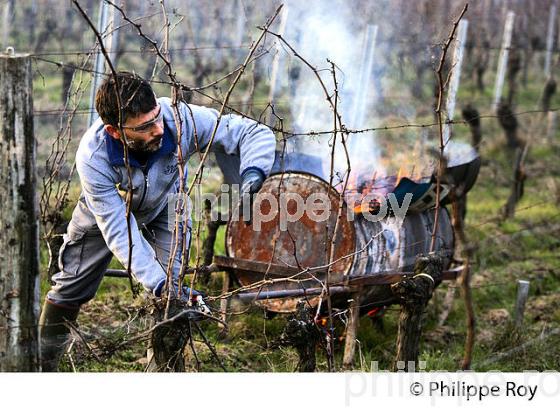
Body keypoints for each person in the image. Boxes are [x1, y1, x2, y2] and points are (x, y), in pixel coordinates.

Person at [39, 71, 276, 371]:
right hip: (107, 212)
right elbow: (117, 229)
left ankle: (163, 376)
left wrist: (253, 173)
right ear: (115, 132)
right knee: (71, 286)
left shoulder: (179, 118)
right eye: (145, 127)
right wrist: (156, 281)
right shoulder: (93, 155)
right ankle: (41, 366)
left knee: (172, 296)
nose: (158, 129)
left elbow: (252, 132)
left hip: (167, 204)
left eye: (156, 117)